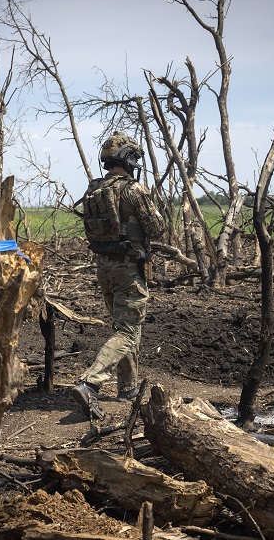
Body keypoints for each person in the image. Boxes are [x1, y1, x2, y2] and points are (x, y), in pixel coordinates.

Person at [70, 131, 165, 419]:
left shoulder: (94, 189)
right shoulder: (133, 190)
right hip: (128, 268)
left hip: (105, 267)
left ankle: (128, 389)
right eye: (134, 157)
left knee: (125, 328)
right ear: (127, 158)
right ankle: (91, 382)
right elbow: (158, 229)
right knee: (127, 330)